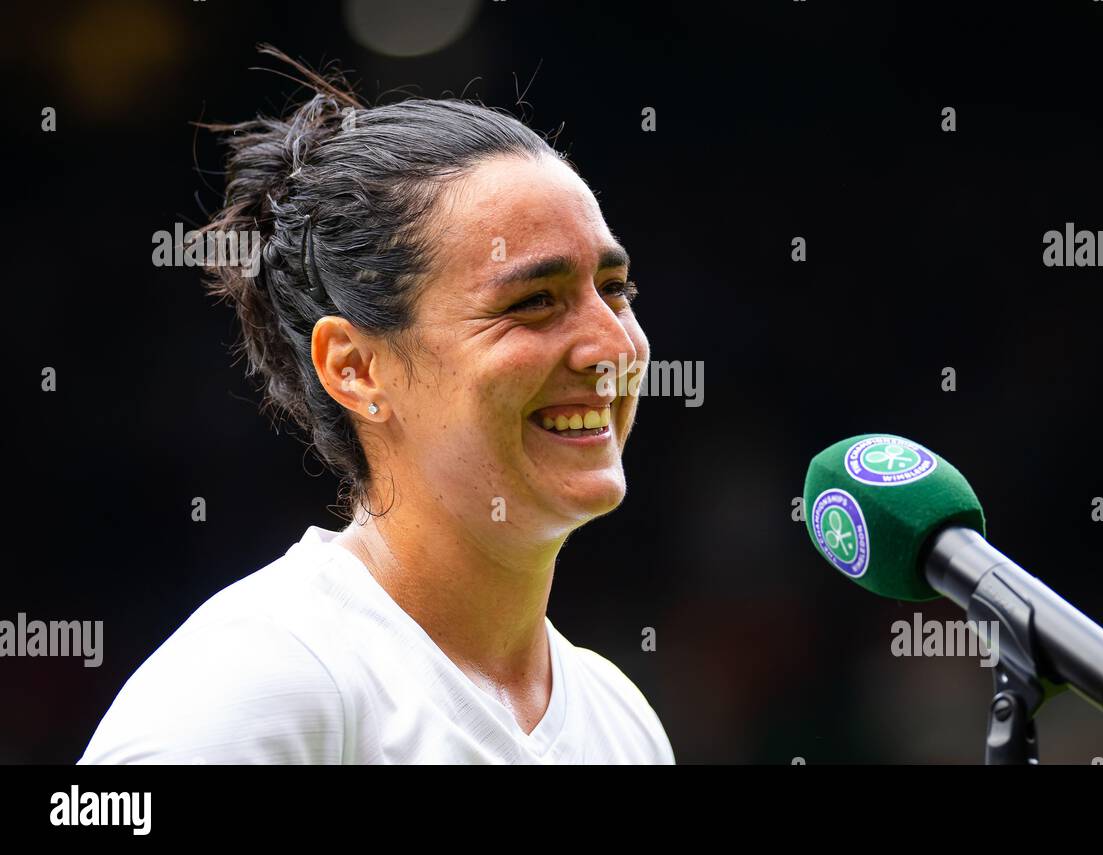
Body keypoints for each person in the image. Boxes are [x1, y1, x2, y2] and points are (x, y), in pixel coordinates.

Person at [79, 48, 673, 764]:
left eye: (615, 291)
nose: (611, 346)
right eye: (534, 302)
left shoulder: (622, 724)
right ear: (356, 367)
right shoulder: (259, 683)